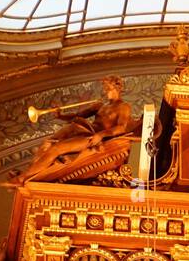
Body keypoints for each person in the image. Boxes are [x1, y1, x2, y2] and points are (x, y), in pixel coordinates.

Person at [8, 76, 136, 185]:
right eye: (104, 87)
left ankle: (23, 177)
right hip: (82, 129)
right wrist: (61, 115)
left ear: (117, 88)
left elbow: (121, 127)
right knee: (48, 142)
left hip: (90, 138)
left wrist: (101, 135)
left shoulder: (123, 107)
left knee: (56, 149)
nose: (105, 90)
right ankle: (29, 169)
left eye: (108, 87)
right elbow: (78, 115)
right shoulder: (100, 105)